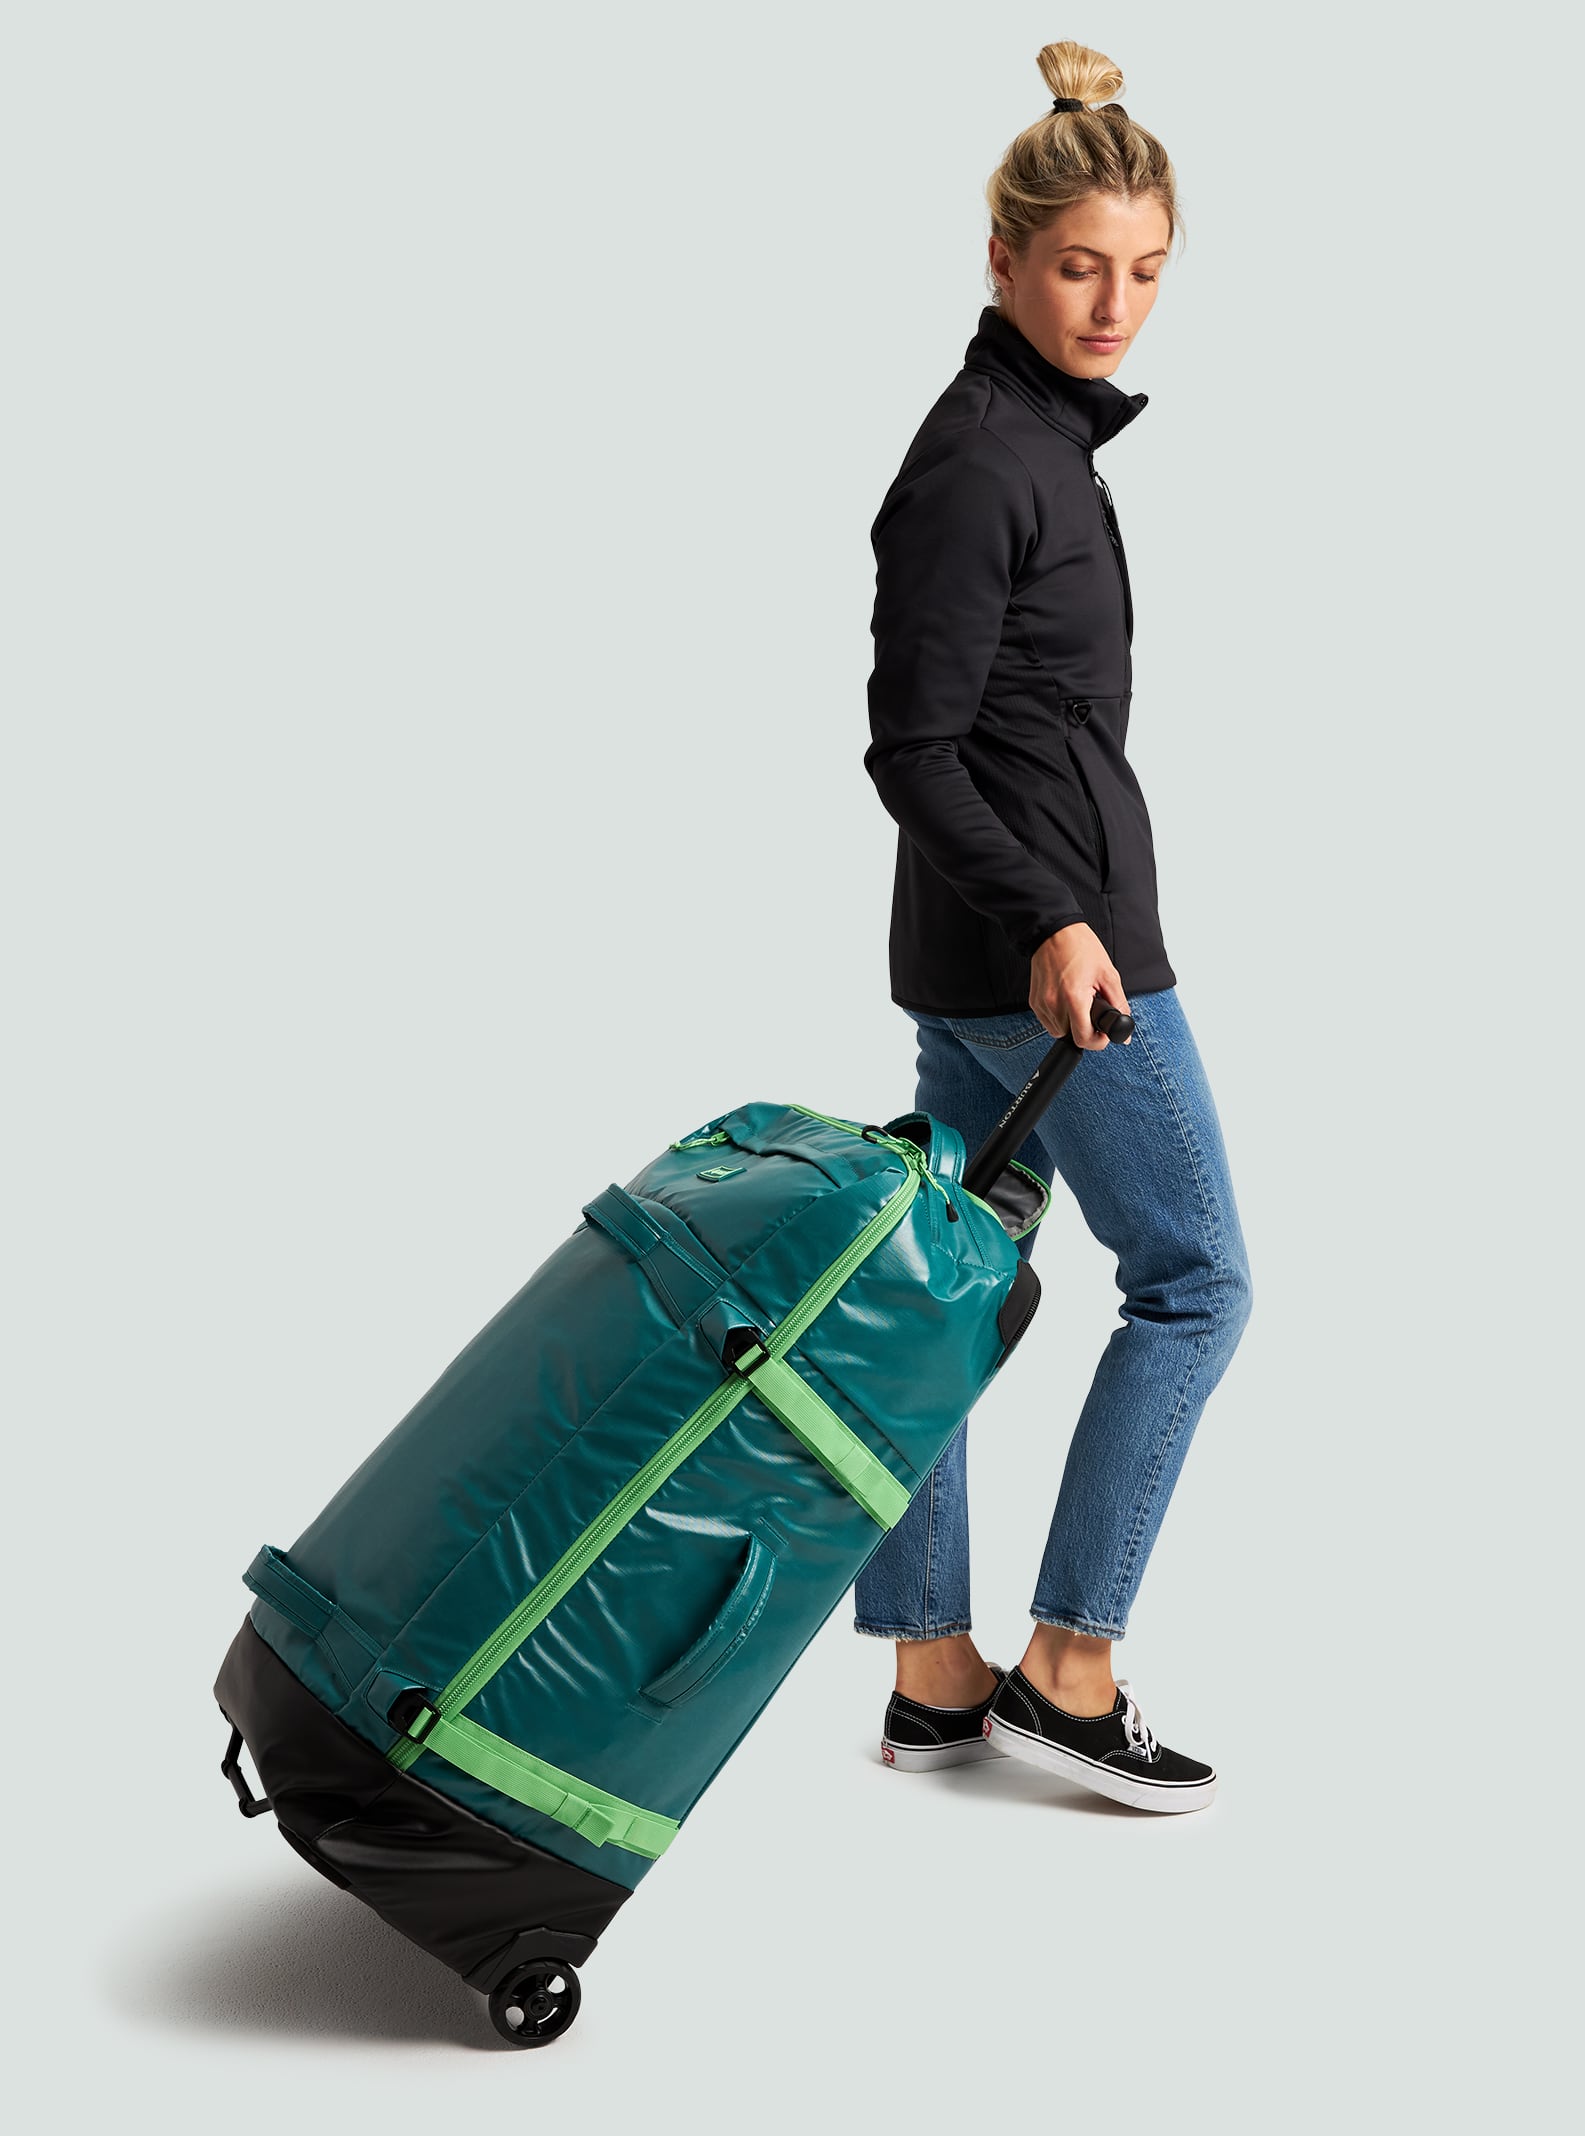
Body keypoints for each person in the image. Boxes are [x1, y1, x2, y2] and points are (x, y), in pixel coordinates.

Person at [853, 39, 1254, 1814]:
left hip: (988, 953)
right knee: (1195, 1283)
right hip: (1053, 964)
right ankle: (1068, 1669)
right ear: (1002, 258)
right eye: (1079, 266)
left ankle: (932, 1672)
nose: (1113, 306)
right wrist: (1051, 922)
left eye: (1145, 271)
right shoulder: (980, 462)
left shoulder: (1036, 444)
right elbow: (912, 746)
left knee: (938, 1294)